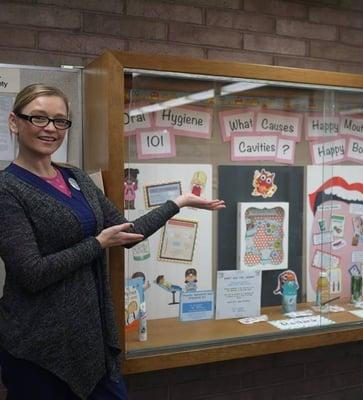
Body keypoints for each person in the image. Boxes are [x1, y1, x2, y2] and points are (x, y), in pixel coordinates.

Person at [0, 83, 225, 399]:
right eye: (38, 118)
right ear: (14, 122)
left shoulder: (75, 177)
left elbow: (127, 233)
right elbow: (32, 273)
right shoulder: (7, 189)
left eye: (59, 120)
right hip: (38, 349)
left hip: (91, 342)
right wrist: (97, 243)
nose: (50, 128)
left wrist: (178, 202)